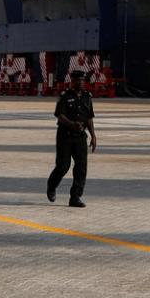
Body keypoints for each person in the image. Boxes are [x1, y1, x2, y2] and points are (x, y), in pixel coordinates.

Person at [47, 69, 98, 208]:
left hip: (81, 137)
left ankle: (75, 197)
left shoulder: (87, 96)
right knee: (63, 166)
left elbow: (89, 117)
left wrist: (93, 135)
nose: (82, 83)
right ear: (73, 81)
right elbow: (59, 115)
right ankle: (51, 185)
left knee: (81, 168)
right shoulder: (64, 96)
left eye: (83, 80)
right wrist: (72, 125)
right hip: (65, 136)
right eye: (79, 80)